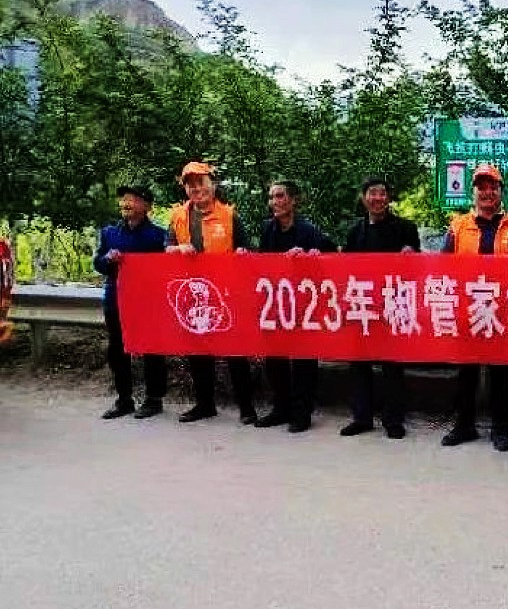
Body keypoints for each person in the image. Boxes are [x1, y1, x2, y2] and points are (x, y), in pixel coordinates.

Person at [166, 161, 258, 424]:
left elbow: (246, 249)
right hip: (193, 294)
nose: (196, 188)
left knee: (235, 352)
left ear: (212, 185)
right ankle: (205, 405)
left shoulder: (229, 215)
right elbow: (166, 249)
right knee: (197, 352)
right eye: (190, 184)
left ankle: (246, 407)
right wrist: (179, 249)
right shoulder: (177, 216)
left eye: (200, 182)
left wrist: (243, 253)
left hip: (226, 294)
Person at [441, 163, 508, 452]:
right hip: (468, 308)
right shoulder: (458, 226)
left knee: (500, 373)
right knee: (466, 372)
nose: (488, 192)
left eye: (493, 187)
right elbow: (444, 267)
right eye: (482, 187)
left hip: (502, 310)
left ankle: (500, 429)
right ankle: (464, 425)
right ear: (473, 192)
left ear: (501, 191)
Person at [341, 176, 421, 439]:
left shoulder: (405, 228)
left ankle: (393, 419)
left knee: (392, 365)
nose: (377, 198)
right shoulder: (355, 231)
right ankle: (361, 417)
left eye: (382, 193)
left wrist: (411, 255)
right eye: (372, 193)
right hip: (363, 304)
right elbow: (345, 267)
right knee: (358, 363)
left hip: (392, 304)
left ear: (388, 198)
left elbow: (416, 267)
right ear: (364, 198)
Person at [257, 181, 337, 434]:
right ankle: (280, 408)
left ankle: (302, 413)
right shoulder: (267, 230)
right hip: (277, 305)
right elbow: (261, 264)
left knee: (304, 361)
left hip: (304, 307)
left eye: (280, 196)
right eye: (271, 197)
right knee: (274, 359)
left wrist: (311, 255)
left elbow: (332, 254)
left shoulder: (308, 230)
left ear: (293, 200)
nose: (275, 202)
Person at [94, 184, 169, 420]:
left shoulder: (158, 236)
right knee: (117, 350)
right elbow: (98, 263)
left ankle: (154, 399)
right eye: (124, 199)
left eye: (133, 199)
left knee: (152, 350)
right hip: (116, 300)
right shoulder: (109, 233)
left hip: (148, 303)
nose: (126, 204)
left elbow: (167, 270)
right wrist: (107, 259)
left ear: (147, 206)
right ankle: (124, 399)